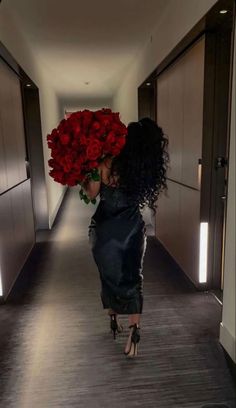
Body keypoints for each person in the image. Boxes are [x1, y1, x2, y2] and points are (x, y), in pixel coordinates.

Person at [83, 117, 168, 358]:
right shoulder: (145, 170)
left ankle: (113, 321)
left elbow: (90, 194)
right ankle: (134, 333)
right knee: (133, 279)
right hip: (130, 231)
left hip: (103, 231)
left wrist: (84, 173)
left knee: (107, 275)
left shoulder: (107, 163)